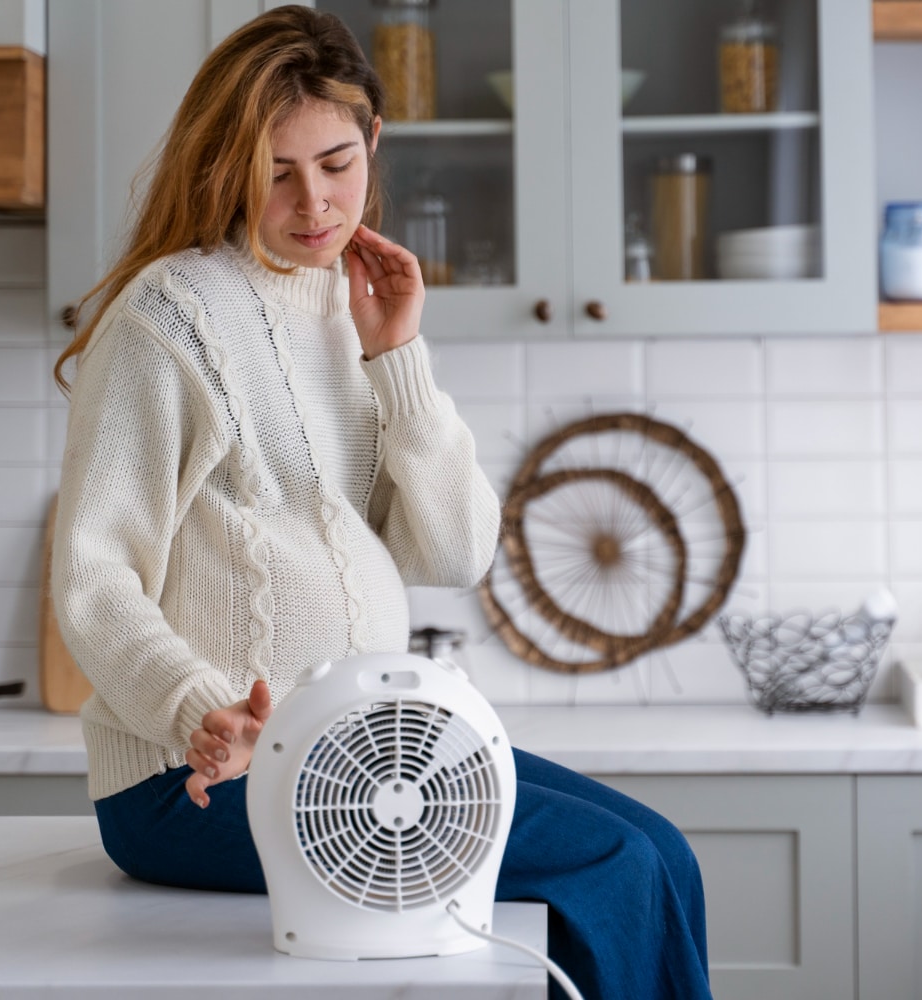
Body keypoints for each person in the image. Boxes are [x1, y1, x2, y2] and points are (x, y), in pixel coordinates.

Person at [49, 7, 712, 999]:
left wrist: (397, 355)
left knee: (661, 849)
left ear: (375, 145)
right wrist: (196, 711)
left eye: (336, 161)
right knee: (613, 865)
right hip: (196, 782)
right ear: (223, 165)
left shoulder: (344, 305)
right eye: (275, 171)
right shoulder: (169, 319)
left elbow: (453, 553)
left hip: (352, 753)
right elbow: (95, 578)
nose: (313, 201)